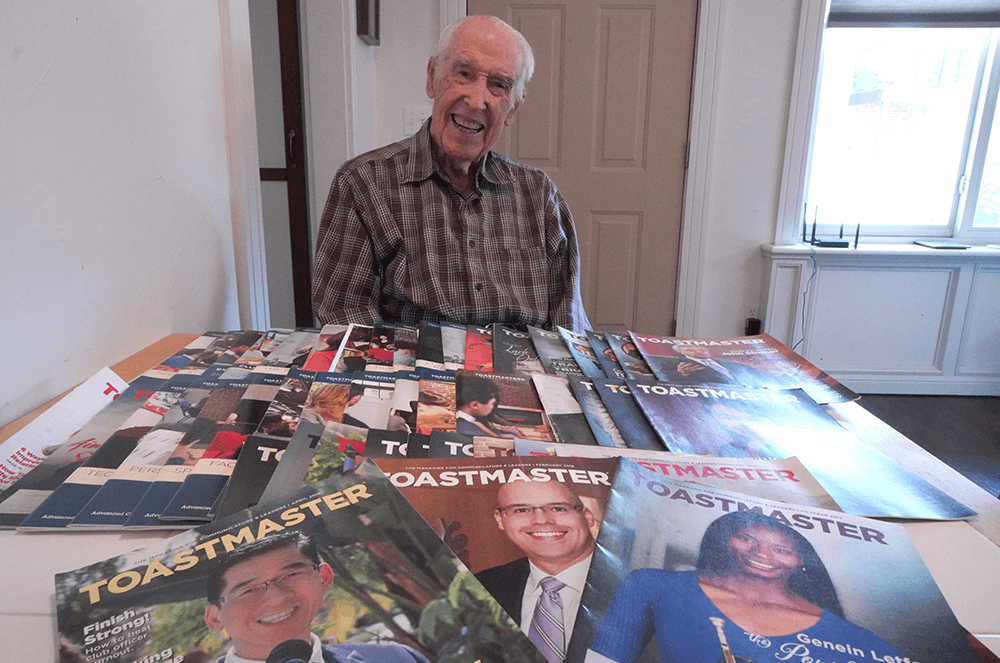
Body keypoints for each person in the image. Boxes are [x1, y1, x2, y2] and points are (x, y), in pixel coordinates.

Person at [311, 15, 589, 332]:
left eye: (499, 85)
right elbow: (346, 319)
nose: (476, 99)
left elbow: (569, 326)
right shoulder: (363, 183)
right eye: (464, 74)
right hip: (411, 374)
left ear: (513, 107)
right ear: (432, 78)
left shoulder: (539, 194)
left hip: (524, 373)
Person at [585, 511, 903, 663]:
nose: (760, 555)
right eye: (747, 538)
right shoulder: (652, 585)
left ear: (803, 560)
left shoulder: (858, 641)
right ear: (727, 539)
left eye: (783, 549)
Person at [204, 532, 430, 663]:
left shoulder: (396, 659)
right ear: (214, 618)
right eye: (248, 590)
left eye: (291, 574)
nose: (276, 597)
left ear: (324, 578)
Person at [475, 480, 597, 663]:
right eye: (521, 510)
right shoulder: (485, 585)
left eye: (558, 508)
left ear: (587, 517)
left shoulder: (638, 580)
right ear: (500, 519)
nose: (541, 520)